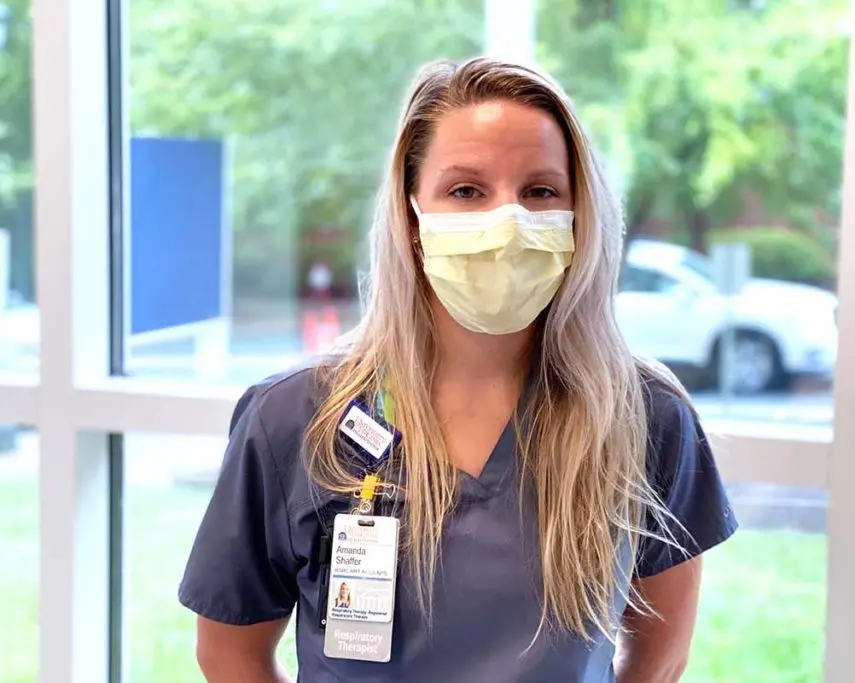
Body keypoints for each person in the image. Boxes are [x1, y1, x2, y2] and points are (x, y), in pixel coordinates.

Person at [178, 57, 737, 683]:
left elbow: (660, 661)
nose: (508, 222)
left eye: (540, 192)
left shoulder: (645, 415)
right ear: (413, 216)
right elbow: (230, 654)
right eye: (466, 190)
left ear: (580, 217)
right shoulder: (294, 418)